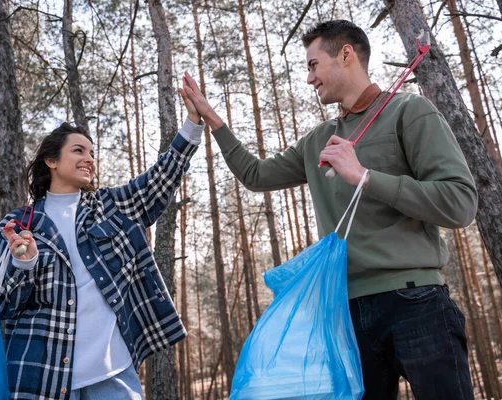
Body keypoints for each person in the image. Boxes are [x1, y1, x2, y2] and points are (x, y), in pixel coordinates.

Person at [180, 19, 477, 400]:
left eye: (313, 65)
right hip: (345, 316)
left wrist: (365, 176)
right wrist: (213, 118)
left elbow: (460, 203)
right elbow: (255, 175)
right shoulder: (320, 139)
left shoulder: (410, 111)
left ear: (346, 55)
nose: (309, 78)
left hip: (416, 303)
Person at [0, 108, 202, 399]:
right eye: (78, 150)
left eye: (92, 153)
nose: (89, 159)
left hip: (113, 373)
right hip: (39, 378)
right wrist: (23, 262)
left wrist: (192, 124)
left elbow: (161, 177)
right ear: (51, 160)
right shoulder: (16, 226)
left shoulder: (110, 207)